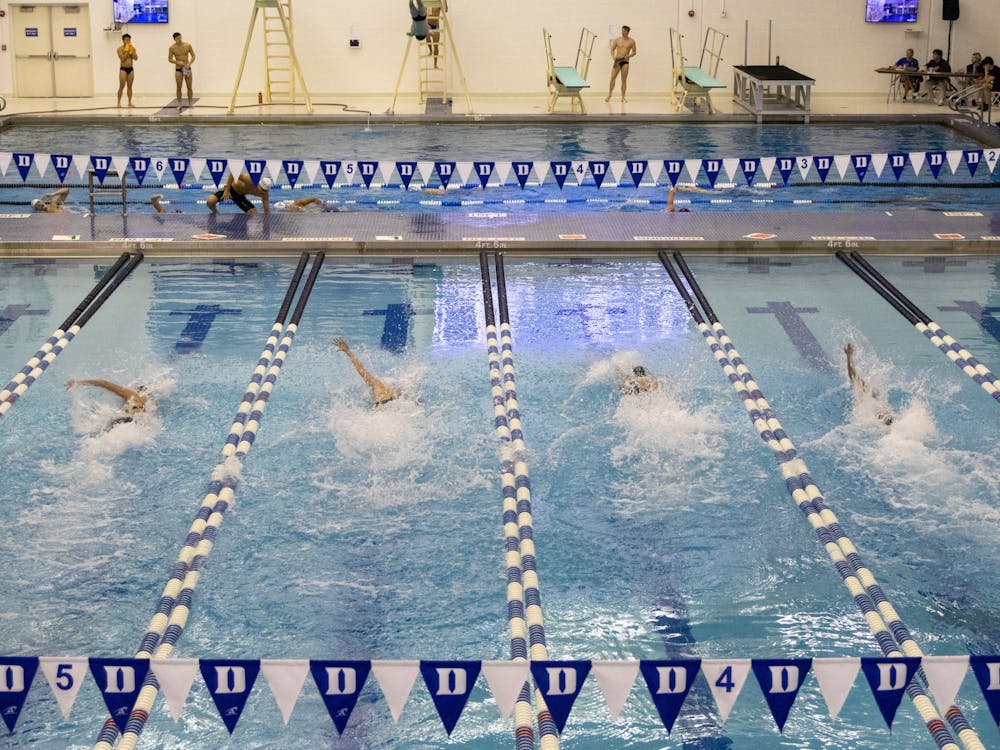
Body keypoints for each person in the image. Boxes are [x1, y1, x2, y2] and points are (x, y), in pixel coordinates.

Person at [333, 338, 398, 406]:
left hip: (380, 407)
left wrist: (348, 351)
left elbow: (362, 370)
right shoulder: (393, 396)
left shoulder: (378, 385)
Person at [844, 343, 893, 426]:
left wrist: (849, 357)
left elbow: (853, 376)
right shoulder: (874, 395)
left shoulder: (865, 393)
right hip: (883, 413)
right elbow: (853, 376)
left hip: (878, 414)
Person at [66, 378, 148, 424]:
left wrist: (78, 382)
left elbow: (103, 383)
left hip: (131, 418)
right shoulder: (138, 399)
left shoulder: (130, 395)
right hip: (138, 419)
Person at [206, 173, 271, 214]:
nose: (263, 192)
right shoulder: (250, 180)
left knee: (253, 213)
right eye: (262, 189)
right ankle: (215, 213)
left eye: (265, 190)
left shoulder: (264, 194)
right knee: (210, 201)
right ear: (259, 185)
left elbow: (266, 211)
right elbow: (233, 174)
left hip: (240, 196)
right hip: (231, 189)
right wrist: (227, 190)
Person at [606, 26, 637, 103]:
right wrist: (613, 56)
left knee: (624, 80)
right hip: (617, 60)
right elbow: (612, 49)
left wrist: (629, 55)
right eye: (622, 31)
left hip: (625, 61)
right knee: (612, 78)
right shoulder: (617, 39)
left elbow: (634, 52)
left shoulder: (631, 41)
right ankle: (609, 94)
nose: (622, 32)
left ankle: (623, 97)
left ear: (627, 32)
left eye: (624, 31)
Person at [168, 32, 196, 112]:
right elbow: (169, 59)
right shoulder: (172, 48)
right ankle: (179, 104)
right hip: (178, 69)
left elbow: (193, 56)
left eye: (180, 37)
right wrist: (178, 62)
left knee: (189, 87)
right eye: (177, 38)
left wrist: (189, 64)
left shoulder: (187, 45)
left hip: (187, 68)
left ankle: (190, 103)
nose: (179, 40)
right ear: (174, 39)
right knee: (179, 87)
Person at [116, 33, 138, 108]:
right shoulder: (119, 49)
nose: (128, 41)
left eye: (129, 40)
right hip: (123, 69)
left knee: (130, 86)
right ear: (123, 40)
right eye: (126, 40)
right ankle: (118, 102)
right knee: (121, 86)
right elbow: (122, 59)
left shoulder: (132, 48)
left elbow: (136, 58)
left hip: (130, 69)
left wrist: (132, 52)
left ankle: (129, 102)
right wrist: (127, 51)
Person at [427, 0, 447, 68]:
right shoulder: (427, 4)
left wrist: (445, 1)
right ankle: (430, 50)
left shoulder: (438, 4)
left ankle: (435, 63)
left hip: (436, 26)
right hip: (428, 25)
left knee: (436, 46)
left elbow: (446, 10)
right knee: (427, 37)